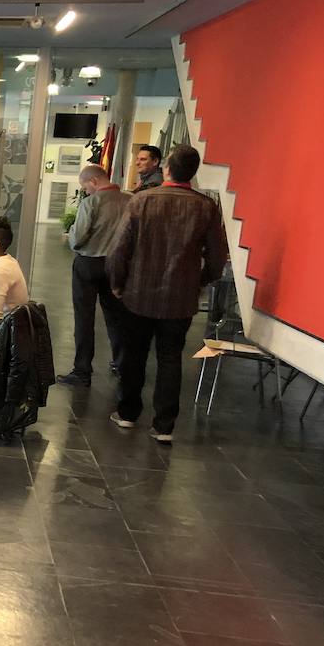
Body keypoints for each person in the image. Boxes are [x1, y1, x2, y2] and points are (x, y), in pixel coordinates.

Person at [108, 143, 228, 443]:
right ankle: (163, 426)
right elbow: (217, 257)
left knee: (133, 355)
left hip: (138, 293)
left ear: (166, 168)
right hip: (180, 297)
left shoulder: (142, 201)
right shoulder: (206, 207)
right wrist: (200, 281)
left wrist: (117, 282)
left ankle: (127, 413)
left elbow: (119, 249)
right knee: (171, 358)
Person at [57, 165, 129, 387]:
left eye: (85, 186)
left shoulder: (91, 203)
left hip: (89, 264)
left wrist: (71, 239)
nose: (85, 191)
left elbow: (77, 238)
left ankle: (82, 371)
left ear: (94, 182)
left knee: (84, 318)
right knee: (117, 317)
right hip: (117, 265)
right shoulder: (130, 200)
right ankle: (122, 364)